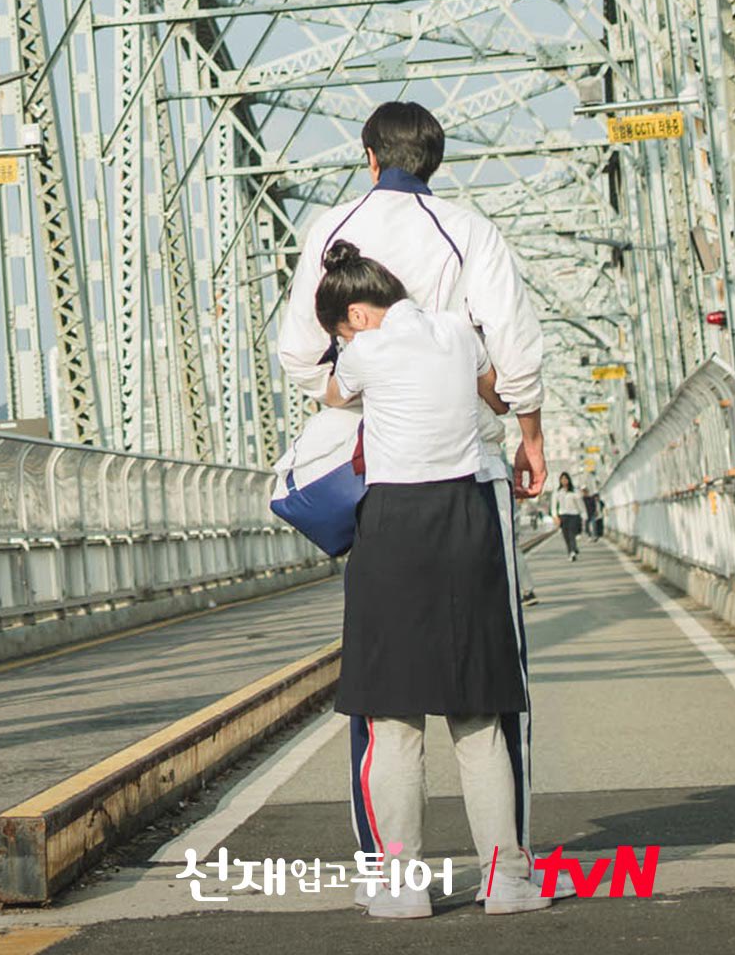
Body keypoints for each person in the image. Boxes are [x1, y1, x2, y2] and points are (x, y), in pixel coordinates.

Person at [278, 101, 557, 906]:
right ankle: (510, 872)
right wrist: (529, 433)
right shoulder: (469, 231)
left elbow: (301, 352)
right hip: (473, 485)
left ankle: (393, 880)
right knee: (489, 694)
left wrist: (359, 392)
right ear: (434, 159)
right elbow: (512, 348)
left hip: (383, 495)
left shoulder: (335, 228)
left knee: (387, 704)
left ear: (370, 157)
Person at [317, 243, 549, 919]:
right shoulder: (458, 332)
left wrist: (343, 356)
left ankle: (403, 883)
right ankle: (505, 879)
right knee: (479, 720)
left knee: (394, 723)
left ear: (357, 314)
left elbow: (332, 395)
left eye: (342, 328)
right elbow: (501, 398)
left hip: (394, 526)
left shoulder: (362, 350)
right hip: (467, 520)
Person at [553, 473, 583, 561]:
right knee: (566, 535)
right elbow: (554, 506)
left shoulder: (574, 491)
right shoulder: (557, 492)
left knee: (571, 533)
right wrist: (555, 516)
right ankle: (571, 550)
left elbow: (580, 504)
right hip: (563, 515)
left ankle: (573, 551)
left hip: (574, 515)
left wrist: (583, 514)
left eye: (566, 479)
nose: (564, 481)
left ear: (569, 480)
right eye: (562, 479)